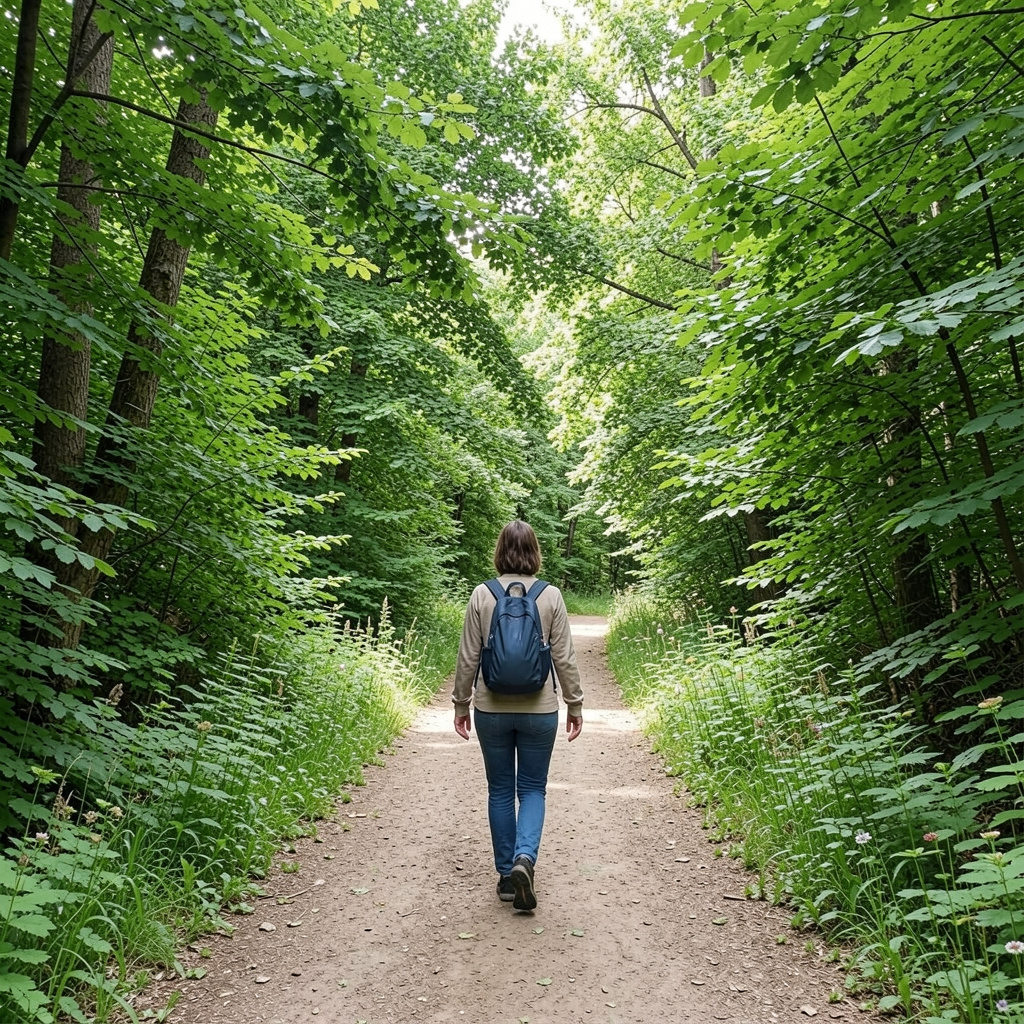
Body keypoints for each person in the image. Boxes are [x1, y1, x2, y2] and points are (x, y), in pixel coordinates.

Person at [452, 520, 583, 912]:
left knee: (499, 790)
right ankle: (526, 858)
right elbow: (564, 657)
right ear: (535, 553)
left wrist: (461, 704)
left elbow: (468, 656)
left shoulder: (482, 594)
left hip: (490, 708)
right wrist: (574, 704)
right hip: (539, 711)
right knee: (532, 789)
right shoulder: (551, 596)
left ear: (500, 551)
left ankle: (508, 877)